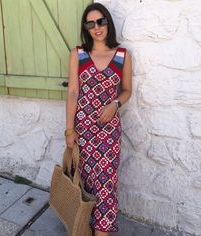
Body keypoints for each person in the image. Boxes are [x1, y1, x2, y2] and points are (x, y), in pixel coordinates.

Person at [65, 2, 132, 236]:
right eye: (91, 23)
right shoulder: (78, 54)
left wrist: (115, 104)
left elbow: (126, 90)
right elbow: (73, 92)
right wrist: (69, 130)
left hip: (109, 131)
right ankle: (84, 224)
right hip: (83, 130)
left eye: (101, 21)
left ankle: (100, 232)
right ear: (86, 27)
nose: (97, 27)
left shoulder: (122, 55)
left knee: (106, 182)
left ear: (108, 23)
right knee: (87, 181)